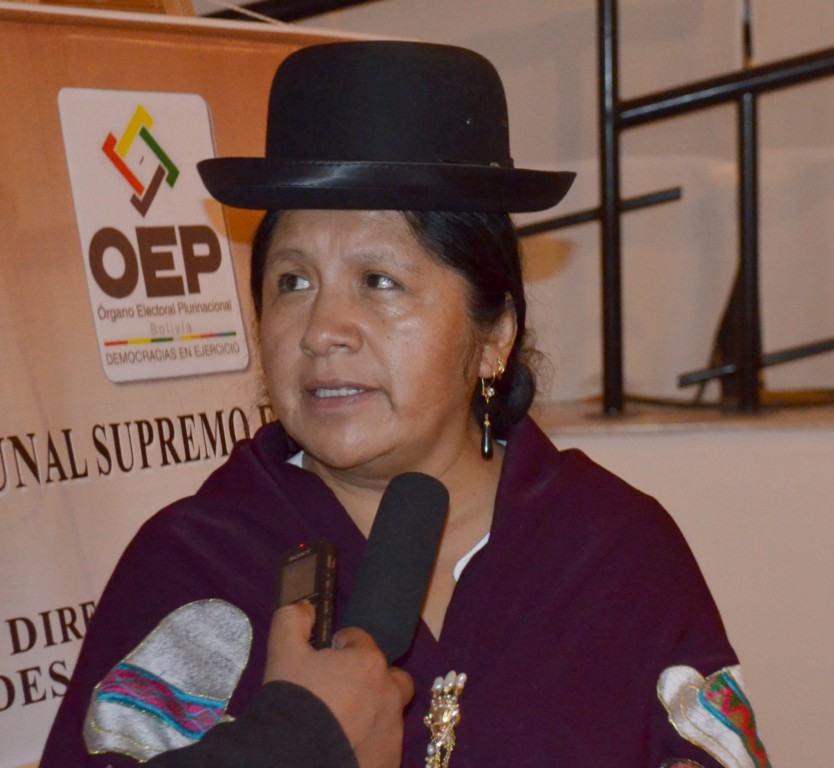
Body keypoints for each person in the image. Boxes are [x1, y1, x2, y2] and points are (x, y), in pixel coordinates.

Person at [41, 41, 770, 768]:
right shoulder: (193, 563)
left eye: (379, 281)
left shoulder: (611, 550)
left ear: (494, 334)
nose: (322, 330)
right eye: (292, 281)